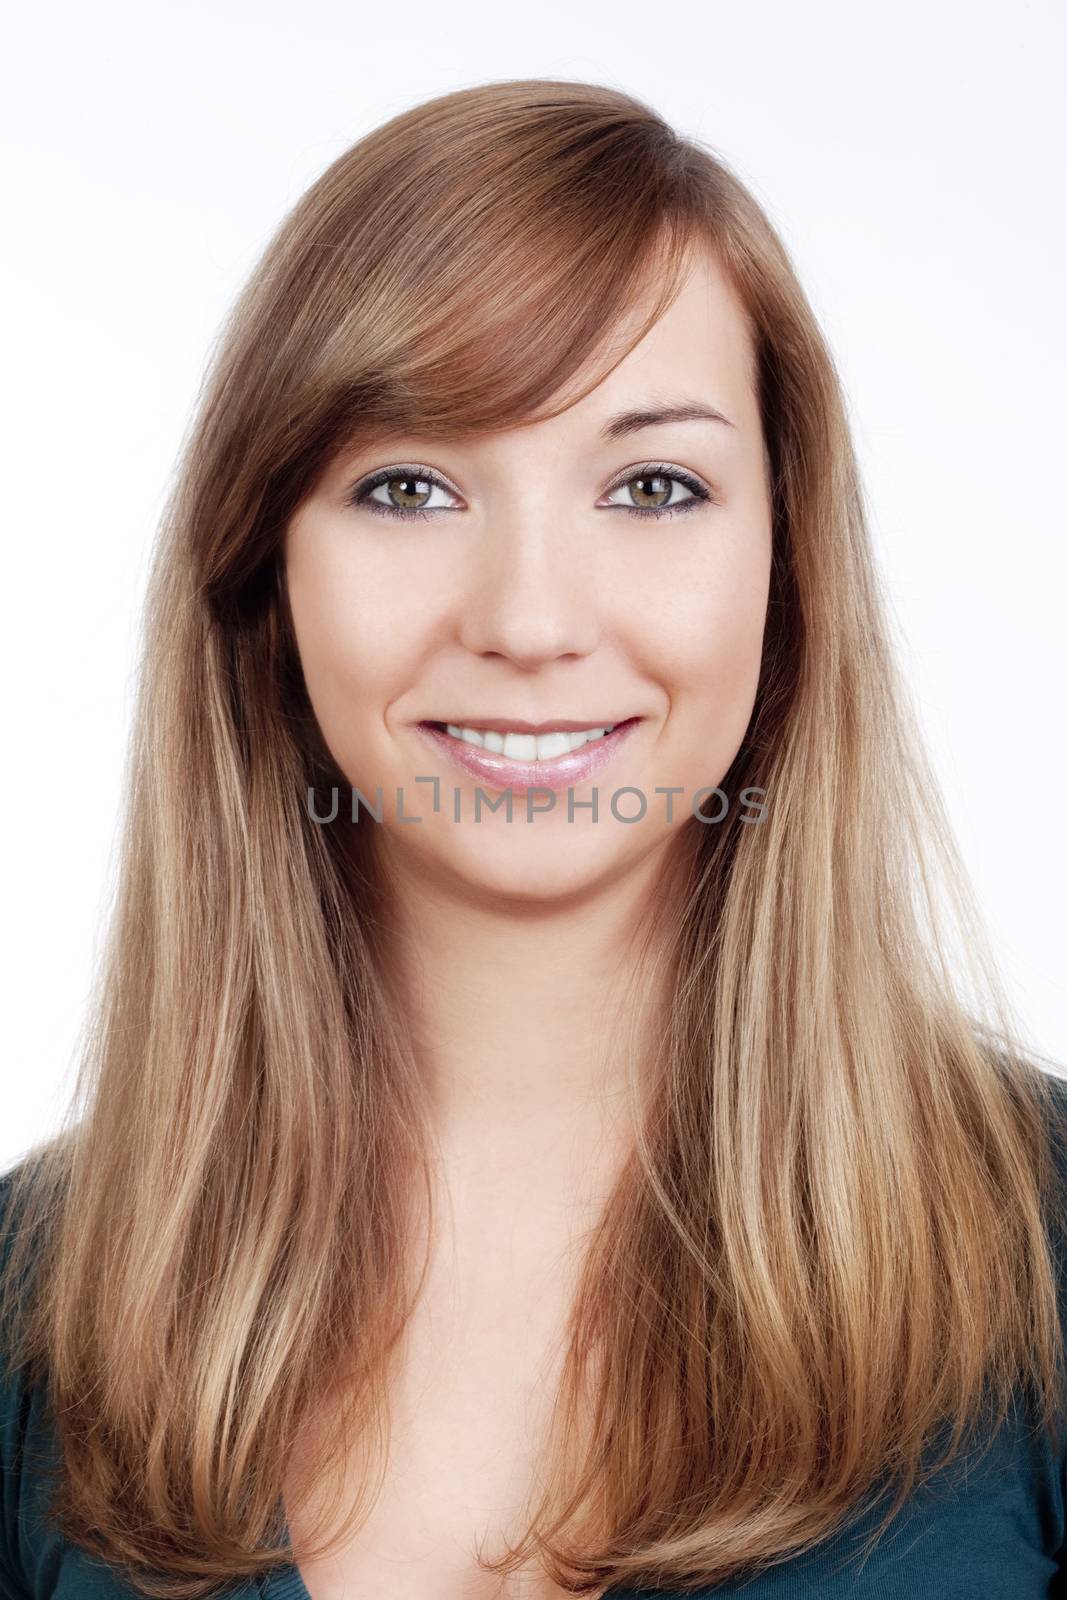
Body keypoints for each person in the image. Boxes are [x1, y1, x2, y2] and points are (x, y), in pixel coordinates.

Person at [2, 76, 1065, 1600]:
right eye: (411, 485)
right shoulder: (28, 1317)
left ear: (788, 569)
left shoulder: (1047, 1257)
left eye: (652, 485)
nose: (530, 620)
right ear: (262, 583)